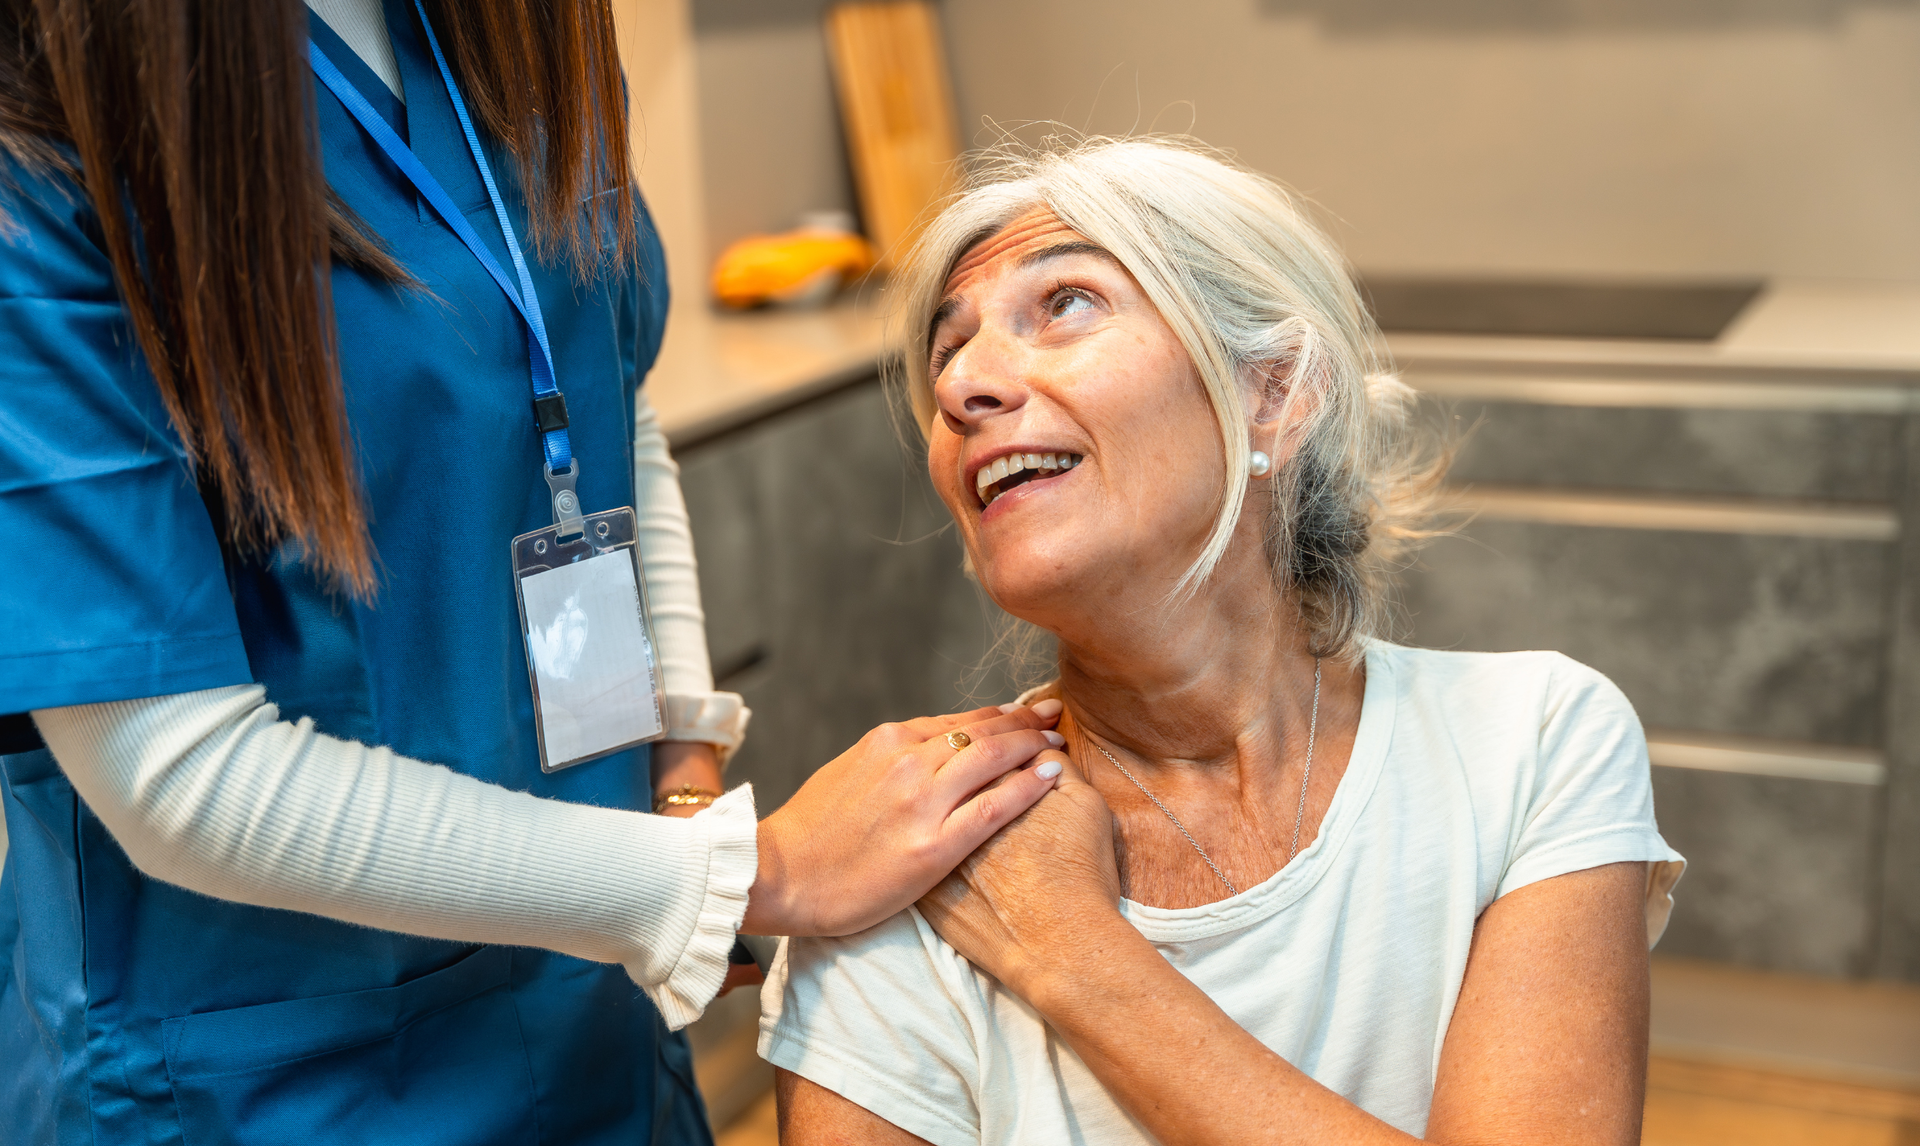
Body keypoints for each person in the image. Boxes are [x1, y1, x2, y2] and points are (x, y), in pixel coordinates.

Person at [0, 2, 1066, 1143]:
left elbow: (605, 410)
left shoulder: (505, 35)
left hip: (592, 1005)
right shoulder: (53, 140)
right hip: (273, 1075)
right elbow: (171, 764)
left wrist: (683, 773)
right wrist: (740, 878)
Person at [760, 137, 1688, 1145]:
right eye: (947, 349)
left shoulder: (1532, 743)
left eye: (1066, 301)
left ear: (1276, 393)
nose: (961, 386)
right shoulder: (913, 851)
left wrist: (1073, 952)